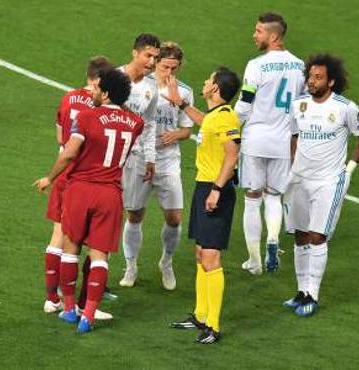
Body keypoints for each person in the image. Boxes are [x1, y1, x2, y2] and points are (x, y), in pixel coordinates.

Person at [34, 68, 144, 333]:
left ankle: (70, 309)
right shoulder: (136, 123)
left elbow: (70, 153)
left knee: (71, 250)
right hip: (111, 193)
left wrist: (50, 177)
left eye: (96, 89)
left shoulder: (86, 116)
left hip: (81, 189)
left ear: (105, 93)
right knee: (99, 256)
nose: (92, 92)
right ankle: (89, 316)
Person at [283, 53, 359, 316]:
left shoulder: (345, 107)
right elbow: (295, 136)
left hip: (328, 181)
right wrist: (293, 165)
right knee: (300, 235)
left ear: (331, 82)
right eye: (310, 76)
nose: (311, 81)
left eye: (318, 77)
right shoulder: (298, 104)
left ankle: (313, 294)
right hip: (299, 179)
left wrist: (349, 170)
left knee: (317, 236)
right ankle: (300, 291)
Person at [167, 67, 241, 344]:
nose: (205, 81)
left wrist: (217, 190)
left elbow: (232, 154)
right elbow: (204, 122)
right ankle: (200, 315)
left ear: (216, 89)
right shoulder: (215, 116)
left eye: (209, 80)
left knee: (211, 257)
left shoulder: (226, 117)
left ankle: (214, 325)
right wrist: (182, 103)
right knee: (200, 254)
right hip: (204, 187)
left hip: (215, 189)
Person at [234, 12, 306, 274]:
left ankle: (254, 261)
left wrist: (229, 128)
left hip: (255, 141)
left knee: (253, 199)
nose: (254, 35)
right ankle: (273, 239)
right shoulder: (300, 67)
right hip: (283, 143)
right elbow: (304, 108)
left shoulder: (256, 65)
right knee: (274, 196)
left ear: (273, 36)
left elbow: (244, 104)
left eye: (258, 31)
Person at [43, 56, 113, 320]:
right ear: (98, 80)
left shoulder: (68, 98)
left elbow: (60, 136)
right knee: (91, 241)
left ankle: (52, 299)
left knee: (58, 236)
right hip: (85, 178)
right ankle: (81, 304)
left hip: (63, 173)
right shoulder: (101, 107)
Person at [118, 42, 193, 290]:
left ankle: (167, 262)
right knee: (135, 213)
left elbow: (186, 128)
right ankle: (131, 266)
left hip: (169, 160)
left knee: (174, 217)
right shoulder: (141, 85)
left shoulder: (184, 92)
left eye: (174, 68)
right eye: (164, 66)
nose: (168, 72)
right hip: (138, 158)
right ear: (156, 63)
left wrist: (177, 135)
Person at [119, 33, 162, 285]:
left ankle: (130, 267)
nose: (151, 62)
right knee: (103, 214)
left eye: (155, 58)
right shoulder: (113, 78)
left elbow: (149, 124)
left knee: (134, 213)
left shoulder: (151, 88)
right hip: (109, 157)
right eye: (148, 55)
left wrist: (150, 158)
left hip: (135, 157)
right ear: (135, 53)